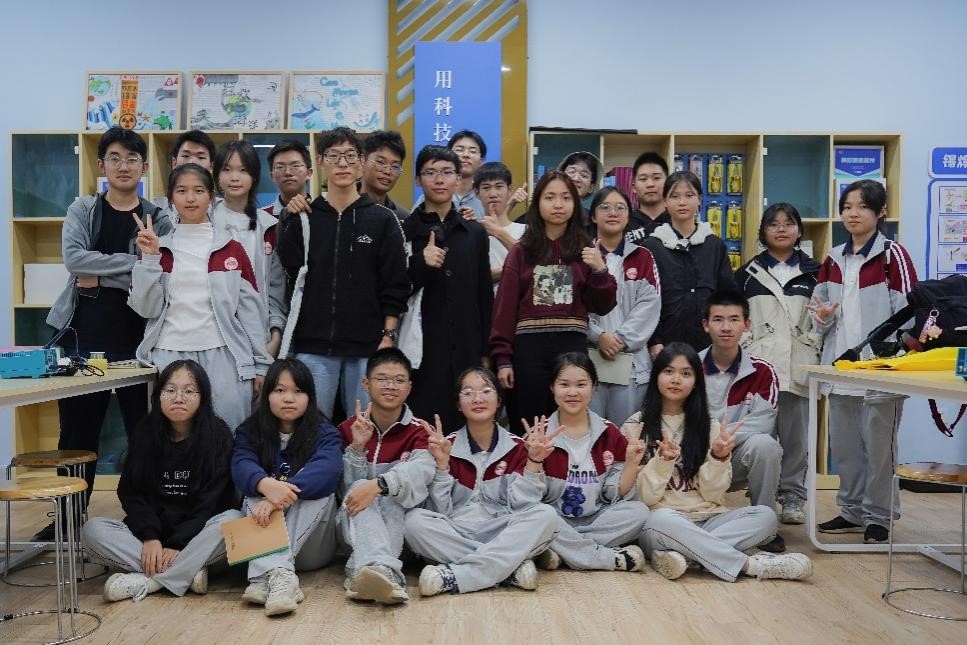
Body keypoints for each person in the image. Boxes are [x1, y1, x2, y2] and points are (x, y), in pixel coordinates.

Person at [40, 127, 173, 540]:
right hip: (82, 336)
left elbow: (161, 268)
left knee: (143, 433)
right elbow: (74, 260)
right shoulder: (84, 208)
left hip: (138, 339)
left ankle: (145, 519)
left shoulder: (158, 216)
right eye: (114, 158)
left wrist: (101, 273)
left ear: (144, 167)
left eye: (132, 159)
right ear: (101, 165)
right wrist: (134, 262)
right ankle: (67, 520)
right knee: (77, 434)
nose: (123, 166)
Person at [623, 343, 813, 582]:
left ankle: (686, 556)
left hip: (709, 519)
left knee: (766, 516)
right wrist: (661, 463)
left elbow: (713, 495)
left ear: (696, 382)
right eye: (668, 371)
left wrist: (718, 458)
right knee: (662, 519)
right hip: (662, 523)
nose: (676, 379)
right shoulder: (635, 426)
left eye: (686, 373)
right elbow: (643, 499)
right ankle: (753, 565)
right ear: (656, 377)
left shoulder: (709, 427)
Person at [810, 180, 918, 544]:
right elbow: (819, 314)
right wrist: (823, 317)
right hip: (841, 367)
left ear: (880, 211)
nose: (852, 214)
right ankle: (851, 511)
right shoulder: (833, 258)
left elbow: (910, 310)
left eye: (861, 206)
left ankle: (879, 517)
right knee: (845, 449)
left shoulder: (892, 255)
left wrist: (893, 353)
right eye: (847, 207)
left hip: (880, 370)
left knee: (880, 449)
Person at [276, 127, 409, 421]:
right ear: (320, 162)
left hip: (367, 345)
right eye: (333, 156)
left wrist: (388, 335)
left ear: (361, 162)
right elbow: (288, 271)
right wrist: (288, 217)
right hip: (313, 345)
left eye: (350, 156)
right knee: (313, 428)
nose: (342, 163)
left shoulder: (382, 219)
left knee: (365, 427)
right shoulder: (304, 218)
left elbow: (395, 284)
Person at [83, 360, 241, 602]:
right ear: (158, 395)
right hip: (151, 542)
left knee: (233, 520)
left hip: (197, 540)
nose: (178, 398)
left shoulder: (218, 436)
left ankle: (151, 580)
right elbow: (131, 493)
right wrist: (150, 537)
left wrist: (178, 543)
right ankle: (186, 573)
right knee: (92, 529)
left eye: (189, 391)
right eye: (170, 390)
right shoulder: (145, 432)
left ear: (203, 398)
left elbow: (213, 503)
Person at [129, 164, 271, 432]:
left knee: (229, 436)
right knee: (174, 441)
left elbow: (251, 313)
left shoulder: (232, 249)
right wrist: (149, 259)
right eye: (181, 191)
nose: (190, 198)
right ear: (171, 198)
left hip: (224, 355)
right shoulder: (159, 248)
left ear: (212, 196)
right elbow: (147, 309)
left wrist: (261, 365)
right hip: (169, 353)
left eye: (198, 190)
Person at [403, 367, 561, 596]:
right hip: (456, 532)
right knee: (413, 521)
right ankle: (508, 569)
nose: (477, 399)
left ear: (499, 400)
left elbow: (523, 507)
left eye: (486, 391)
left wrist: (534, 462)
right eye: (468, 393)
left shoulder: (519, 447)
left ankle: (456, 576)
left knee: (546, 515)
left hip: (501, 530)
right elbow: (439, 510)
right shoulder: (445, 446)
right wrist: (442, 467)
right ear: (458, 404)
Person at [490, 170, 617, 435]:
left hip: (572, 347)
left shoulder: (586, 249)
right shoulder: (521, 250)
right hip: (528, 352)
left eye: (565, 198)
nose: (558, 204)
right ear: (537, 203)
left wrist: (600, 270)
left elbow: (602, 305)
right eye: (550, 197)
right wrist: (503, 359)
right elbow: (504, 309)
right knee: (529, 427)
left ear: (575, 203)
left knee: (569, 425)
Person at [231, 358, 343, 616]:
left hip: (313, 549)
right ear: (267, 394)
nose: (289, 398)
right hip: (267, 545)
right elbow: (241, 464)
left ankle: (265, 574)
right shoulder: (250, 430)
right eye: (280, 390)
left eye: (298, 391)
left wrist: (276, 495)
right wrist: (264, 484)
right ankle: (279, 577)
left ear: (309, 397)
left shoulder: (325, 432)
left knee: (318, 494)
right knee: (254, 492)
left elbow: (327, 471)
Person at [735, 203, 822, 525]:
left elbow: (825, 319)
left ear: (799, 231)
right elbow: (737, 318)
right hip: (761, 369)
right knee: (760, 437)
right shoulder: (746, 274)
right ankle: (761, 498)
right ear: (763, 231)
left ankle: (793, 496)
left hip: (799, 365)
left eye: (788, 223)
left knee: (797, 439)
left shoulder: (817, 273)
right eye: (773, 224)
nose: (781, 229)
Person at [403, 145, 492, 431]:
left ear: (458, 178)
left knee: (468, 423)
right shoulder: (403, 230)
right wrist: (420, 263)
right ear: (418, 180)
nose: (439, 180)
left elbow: (484, 295)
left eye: (446, 172)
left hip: (467, 346)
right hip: (422, 349)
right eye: (430, 173)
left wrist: (487, 350)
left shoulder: (474, 233)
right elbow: (391, 289)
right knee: (424, 425)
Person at [533, 353, 648, 572]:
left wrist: (631, 464)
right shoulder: (539, 435)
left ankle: (562, 550)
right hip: (555, 518)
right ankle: (602, 557)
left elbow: (614, 495)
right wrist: (534, 460)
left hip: (596, 518)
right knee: (538, 517)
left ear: (594, 387)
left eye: (581, 384)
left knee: (639, 512)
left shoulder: (609, 432)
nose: (572, 392)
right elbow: (530, 498)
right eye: (564, 384)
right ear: (552, 387)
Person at [337, 348, 435, 605]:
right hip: (352, 530)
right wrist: (357, 448)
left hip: (401, 533)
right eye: (382, 378)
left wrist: (381, 484)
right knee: (360, 486)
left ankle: (364, 570)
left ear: (409, 387)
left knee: (393, 495)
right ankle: (386, 571)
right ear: (365, 384)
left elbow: (423, 470)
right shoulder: (347, 429)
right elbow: (346, 492)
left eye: (399, 380)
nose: (391, 386)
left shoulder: (420, 431)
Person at [698, 290, 784, 552]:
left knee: (765, 446)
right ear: (706, 325)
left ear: (746, 325)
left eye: (734, 319)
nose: (726, 327)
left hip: (733, 457)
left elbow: (762, 423)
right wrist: (709, 443)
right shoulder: (688, 367)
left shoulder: (763, 371)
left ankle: (765, 524)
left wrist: (721, 442)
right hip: (694, 457)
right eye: (718, 319)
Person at [586, 187, 661, 426]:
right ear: (593, 216)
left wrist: (618, 340)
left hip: (631, 362)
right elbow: (571, 306)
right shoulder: (580, 256)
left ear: (629, 215)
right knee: (591, 433)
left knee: (627, 434)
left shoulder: (643, 257)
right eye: (605, 207)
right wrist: (598, 336)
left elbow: (649, 305)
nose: (613, 213)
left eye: (620, 207)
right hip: (588, 360)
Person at [643, 171, 736, 356]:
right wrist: (654, 340)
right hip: (664, 345)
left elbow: (727, 296)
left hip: (708, 344)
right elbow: (644, 300)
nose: (682, 202)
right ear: (665, 202)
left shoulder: (714, 245)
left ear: (699, 199)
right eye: (674, 196)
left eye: (689, 195)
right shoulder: (652, 246)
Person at [213, 140, 287, 357]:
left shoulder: (269, 226)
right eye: (227, 169)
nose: (234, 177)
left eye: (243, 170)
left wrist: (275, 332)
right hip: (213, 335)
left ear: (254, 176)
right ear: (216, 175)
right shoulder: (205, 220)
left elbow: (275, 289)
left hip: (257, 337)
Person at [473, 161, 526, 291]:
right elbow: (468, 275)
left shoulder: (527, 230)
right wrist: (514, 269)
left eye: (499, 186)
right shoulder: (471, 232)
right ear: (476, 193)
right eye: (486, 188)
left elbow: (534, 266)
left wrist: (498, 232)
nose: (493, 194)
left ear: (510, 189)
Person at [152, 129, 217, 216]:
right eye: (186, 156)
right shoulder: (156, 210)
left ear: (211, 167)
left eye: (200, 157)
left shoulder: (222, 209)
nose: (192, 162)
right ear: (174, 163)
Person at [361, 130, 409, 221]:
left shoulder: (402, 218)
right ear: (362, 161)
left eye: (395, 166)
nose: (387, 171)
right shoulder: (342, 207)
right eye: (381, 162)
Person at [626, 151, 670, 245]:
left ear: (668, 183)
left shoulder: (678, 220)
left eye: (656, 178)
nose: (650, 184)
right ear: (634, 187)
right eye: (643, 179)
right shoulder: (624, 221)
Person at [265, 139, 312, 218]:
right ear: (272, 176)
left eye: (295, 166)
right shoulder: (261, 218)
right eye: (280, 167)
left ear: (309, 173)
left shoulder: (323, 214)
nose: (288, 172)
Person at [559, 151, 601, 217]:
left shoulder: (592, 220)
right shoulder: (544, 212)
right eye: (571, 171)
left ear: (591, 187)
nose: (576, 178)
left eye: (584, 175)